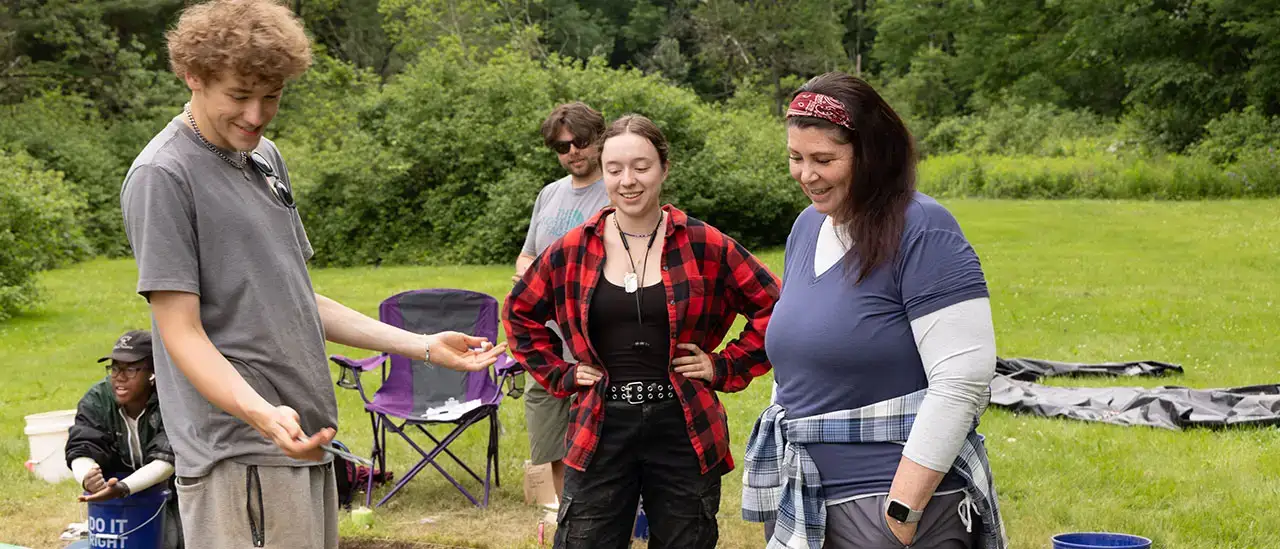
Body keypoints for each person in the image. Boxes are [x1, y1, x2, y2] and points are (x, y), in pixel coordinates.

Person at [119, 2, 505, 547]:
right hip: (240, 451)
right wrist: (262, 414)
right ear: (193, 77)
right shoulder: (163, 175)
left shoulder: (264, 159)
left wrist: (421, 346)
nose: (256, 114)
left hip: (299, 438)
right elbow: (180, 332)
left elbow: (297, 298)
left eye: (271, 96)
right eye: (238, 96)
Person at [741, 71, 1007, 549]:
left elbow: (963, 378)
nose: (806, 175)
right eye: (795, 158)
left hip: (892, 507)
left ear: (870, 155)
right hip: (808, 497)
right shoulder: (807, 228)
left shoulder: (923, 229)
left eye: (824, 159)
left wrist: (902, 511)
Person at [503, 114, 780, 549]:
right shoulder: (574, 249)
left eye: (641, 167)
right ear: (603, 170)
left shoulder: (705, 244)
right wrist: (561, 373)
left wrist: (723, 365)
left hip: (684, 426)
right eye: (615, 169)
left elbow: (776, 308)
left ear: (664, 168)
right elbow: (520, 314)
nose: (627, 180)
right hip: (600, 426)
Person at [514, 102, 611, 500]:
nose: (572, 152)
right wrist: (526, 277)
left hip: (594, 336)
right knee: (550, 433)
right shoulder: (549, 194)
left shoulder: (617, 189)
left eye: (581, 141)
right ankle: (566, 517)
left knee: (602, 434)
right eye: (561, 146)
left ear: (599, 139)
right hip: (546, 339)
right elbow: (527, 254)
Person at [66, 330, 182, 549]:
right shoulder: (99, 398)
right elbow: (81, 445)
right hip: (116, 495)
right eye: (115, 367)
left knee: (171, 540)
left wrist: (123, 488)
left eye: (130, 369)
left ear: (153, 373)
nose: (119, 376)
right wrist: (88, 479)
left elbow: (169, 457)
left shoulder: (173, 397)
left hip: (172, 493)